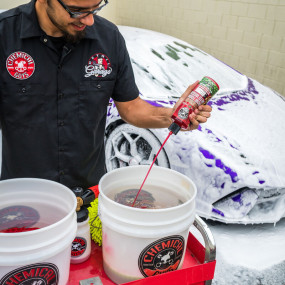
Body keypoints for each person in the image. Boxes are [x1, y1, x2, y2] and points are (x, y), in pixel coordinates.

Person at [0, 0, 212, 189]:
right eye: (77, 11)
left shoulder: (109, 38)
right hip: (23, 193)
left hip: (88, 192)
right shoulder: (4, 34)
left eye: (96, 8)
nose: (90, 20)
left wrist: (171, 115)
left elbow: (131, 108)